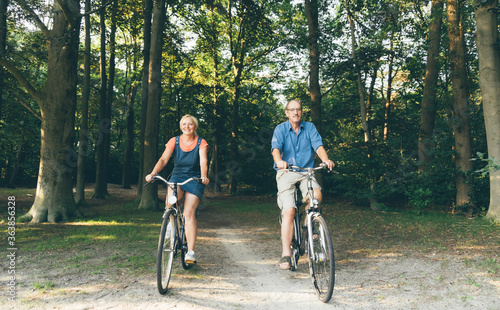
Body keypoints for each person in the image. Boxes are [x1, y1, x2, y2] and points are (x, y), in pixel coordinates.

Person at [271, 99, 335, 270]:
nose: (295, 112)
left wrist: (325, 159)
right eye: (292, 110)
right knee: (289, 210)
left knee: (316, 197)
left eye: (298, 109)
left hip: (306, 171)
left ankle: (308, 224)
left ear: (301, 111)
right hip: (286, 172)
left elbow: (318, 145)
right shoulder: (281, 129)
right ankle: (286, 253)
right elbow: (276, 148)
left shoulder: (310, 127)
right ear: (287, 113)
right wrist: (279, 161)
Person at [146, 114, 210, 264]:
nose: (187, 127)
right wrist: (153, 173)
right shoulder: (174, 141)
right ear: (181, 126)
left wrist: (204, 175)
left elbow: (203, 161)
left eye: (190, 124)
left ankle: (191, 252)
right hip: (177, 176)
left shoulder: (201, 142)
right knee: (170, 203)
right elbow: (163, 159)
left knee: (188, 212)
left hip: (195, 179)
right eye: (184, 124)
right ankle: (170, 223)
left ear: (195, 127)